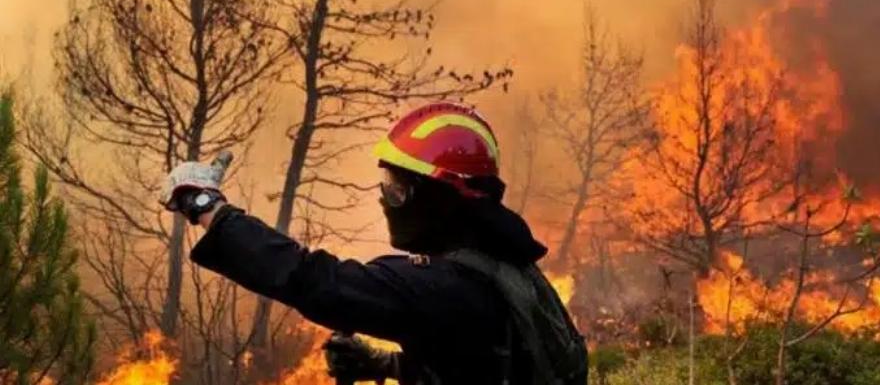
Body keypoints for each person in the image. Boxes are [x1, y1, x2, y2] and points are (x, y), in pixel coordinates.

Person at [160, 102, 587, 384]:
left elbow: (314, 281)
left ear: (438, 196)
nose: (386, 199)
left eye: (397, 189)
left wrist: (208, 207)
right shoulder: (510, 264)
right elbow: (482, 365)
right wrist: (387, 365)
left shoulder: (443, 286)